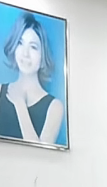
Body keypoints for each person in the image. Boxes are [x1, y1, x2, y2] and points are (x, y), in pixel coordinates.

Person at [0, 11, 64, 144]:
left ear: (43, 56)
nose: (25, 53)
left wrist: (20, 105)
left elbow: (42, 154)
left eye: (33, 47)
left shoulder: (55, 107)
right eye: (20, 43)